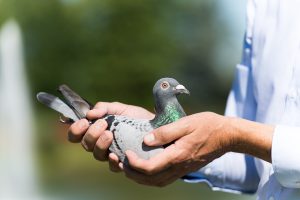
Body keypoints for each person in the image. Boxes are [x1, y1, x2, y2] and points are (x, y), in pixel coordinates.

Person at [68, 0, 300, 199]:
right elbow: (253, 164)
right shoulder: (264, 5)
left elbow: (235, 135)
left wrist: (232, 133)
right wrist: (179, 147)